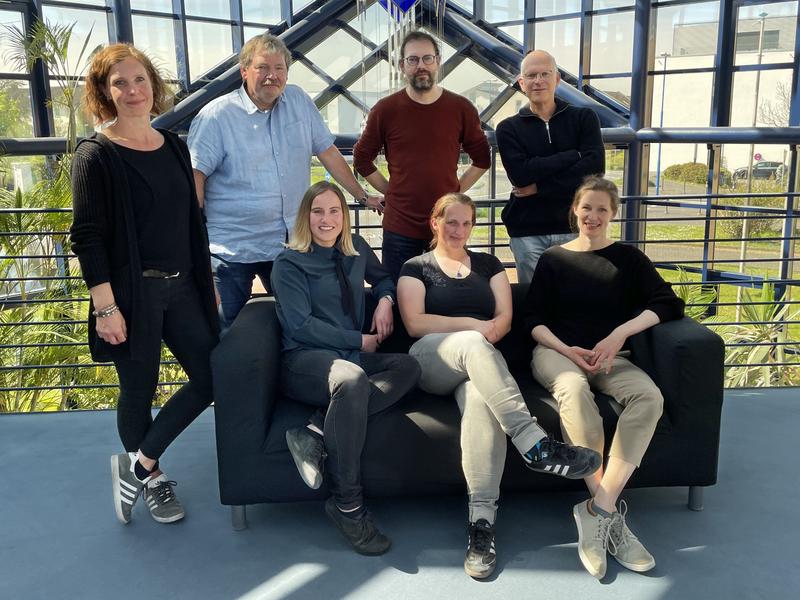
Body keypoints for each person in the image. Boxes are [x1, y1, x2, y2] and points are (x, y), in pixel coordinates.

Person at [397, 192, 601, 579]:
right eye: (450, 222)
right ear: (435, 223)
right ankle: (533, 442)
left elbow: (505, 318)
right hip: (431, 361)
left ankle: (482, 524)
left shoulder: (488, 264)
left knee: (480, 398)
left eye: (466, 223)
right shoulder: (416, 266)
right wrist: (473, 326)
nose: (458, 230)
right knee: (474, 343)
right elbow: (415, 323)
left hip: (478, 366)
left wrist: (485, 331)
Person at [70, 44, 219, 525]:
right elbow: (88, 238)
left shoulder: (175, 145)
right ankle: (153, 481)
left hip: (184, 289)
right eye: (119, 83)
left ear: (153, 86)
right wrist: (106, 308)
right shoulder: (96, 155)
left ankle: (137, 464)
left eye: (139, 80)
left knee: (211, 377)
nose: (132, 91)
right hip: (133, 297)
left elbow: (191, 222)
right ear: (103, 92)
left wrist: (206, 280)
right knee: (139, 389)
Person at [525, 176, 685, 579]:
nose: (592, 216)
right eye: (586, 207)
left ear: (613, 214)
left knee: (648, 397)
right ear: (574, 210)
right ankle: (606, 511)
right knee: (574, 389)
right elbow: (533, 319)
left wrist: (619, 334)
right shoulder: (553, 259)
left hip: (612, 357)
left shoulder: (629, 259)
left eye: (602, 209)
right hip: (557, 354)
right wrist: (566, 350)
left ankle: (599, 510)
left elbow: (668, 302)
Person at [188, 33, 381, 330]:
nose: (272, 76)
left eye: (279, 69)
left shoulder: (298, 101)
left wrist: (361, 195)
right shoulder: (217, 117)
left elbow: (328, 152)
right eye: (263, 68)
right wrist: (195, 245)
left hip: (289, 246)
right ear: (244, 71)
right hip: (232, 251)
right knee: (228, 334)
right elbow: (195, 178)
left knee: (297, 325)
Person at [270, 181, 421, 556]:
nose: (327, 219)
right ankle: (349, 506)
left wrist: (385, 300)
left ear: (344, 217)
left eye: (334, 211)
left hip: (347, 357)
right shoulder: (288, 263)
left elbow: (385, 276)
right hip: (305, 359)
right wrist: (358, 341)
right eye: (318, 211)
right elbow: (299, 325)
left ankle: (318, 428)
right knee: (351, 378)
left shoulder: (354, 252)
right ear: (306, 216)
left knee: (408, 367)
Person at [353, 30, 491, 281]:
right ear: (401, 65)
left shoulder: (461, 108)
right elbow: (362, 158)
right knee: (398, 298)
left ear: (438, 61)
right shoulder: (385, 110)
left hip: (446, 228)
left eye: (427, 58)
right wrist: (390, 190)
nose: (421, 66)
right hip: (399, 229)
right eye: (413, 60)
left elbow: (482, 159)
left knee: (446, 301)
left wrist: (455, 193)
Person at [496, 50, 605, 283]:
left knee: (576, 299)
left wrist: (539, 188)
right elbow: (521, 175)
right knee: (535, 300)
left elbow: (595, 169)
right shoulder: (507, 128)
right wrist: (572, 156)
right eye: (531, 75)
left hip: (574, 226)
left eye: (545, 74)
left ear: (557, 79)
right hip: (527, 231)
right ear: (521, 83)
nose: (538, 81)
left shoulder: (584, 118)